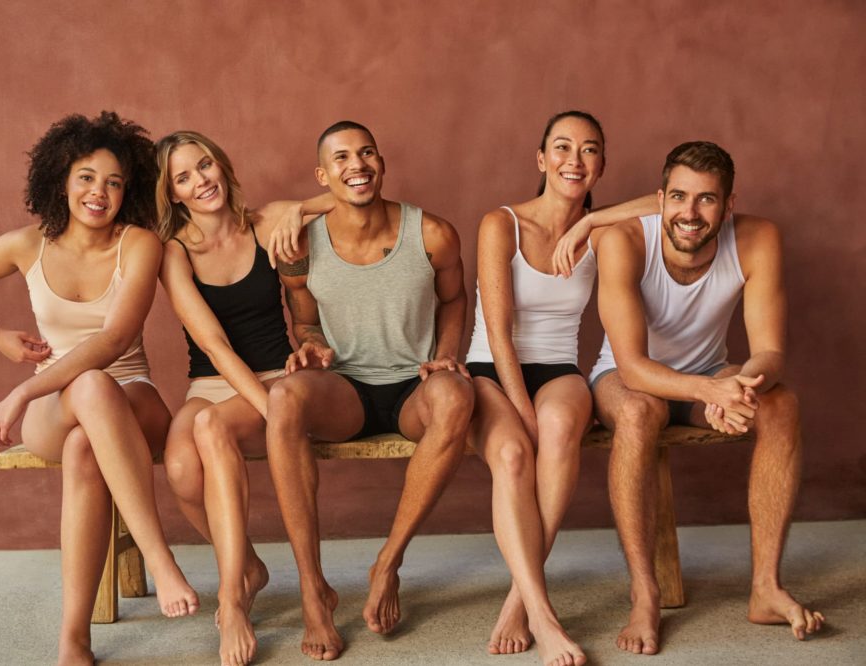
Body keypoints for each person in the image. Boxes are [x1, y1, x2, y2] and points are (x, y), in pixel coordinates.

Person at [0, 111, 198, 666]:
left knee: (91, 411)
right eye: (86, 177)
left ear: (126, 189)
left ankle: (74, 639)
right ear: (62, 178)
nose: (98, 192)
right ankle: (160, 558)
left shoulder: (139, 244)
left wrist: (19, 394)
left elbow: (112, 342)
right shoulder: (27, 244)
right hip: (53, 405)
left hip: (129, 395)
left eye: (113, 181)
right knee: (83, 398)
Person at [589, 140, 825, 655]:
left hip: (710, 375)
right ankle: (645, 593)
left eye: (706, 200)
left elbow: (770, 351)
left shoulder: (759, 239)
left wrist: (741, 384)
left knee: (781, 403)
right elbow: (631, 365)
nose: (689, 214)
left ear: (729, 203)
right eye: (678, 197)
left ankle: (765, 587)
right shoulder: (624, 240)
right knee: (637, 410)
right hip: (626, 377)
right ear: (660, 198)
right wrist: (710, 388)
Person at [265, 120, 474, 660]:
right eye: (341, 158)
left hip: (414, 388)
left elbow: (455, 300)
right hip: (346, 389)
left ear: (381, 161)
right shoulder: (299, 245)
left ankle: (389, 561)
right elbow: (304, 320)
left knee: (457, 395)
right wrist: (311, 345)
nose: (356, 165)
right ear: (322, 174)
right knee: (283, 396)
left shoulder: (432, 233)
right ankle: (314, 590)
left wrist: (447, 353)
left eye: (367, 153)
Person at [465, 110, 654, 665]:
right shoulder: (500, 223)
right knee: (512, 452)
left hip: (559, 370)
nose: (575, 160)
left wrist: (588, 224)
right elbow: (497, 331)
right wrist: (518, 409)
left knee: (559, 426)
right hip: (492, 367)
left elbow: (668, 201)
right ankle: (543, 614)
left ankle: (519, 601)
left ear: (601, 166)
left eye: (589, 150)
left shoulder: (605, 234)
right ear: (541, 159)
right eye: (563, 148)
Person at [154, 130, 333, 666]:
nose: (199, 181)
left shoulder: (265, 222)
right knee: (182, 466)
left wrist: (299, 213)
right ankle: (250, 565)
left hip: (280, 373)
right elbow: (213, 345)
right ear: (173, 195)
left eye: (204, 165)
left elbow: (337, 200)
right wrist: (269, 411)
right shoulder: (174, 252)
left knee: (210, 430)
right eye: (182, 178)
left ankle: (232, 596)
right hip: (214, 381)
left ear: (221, 165)